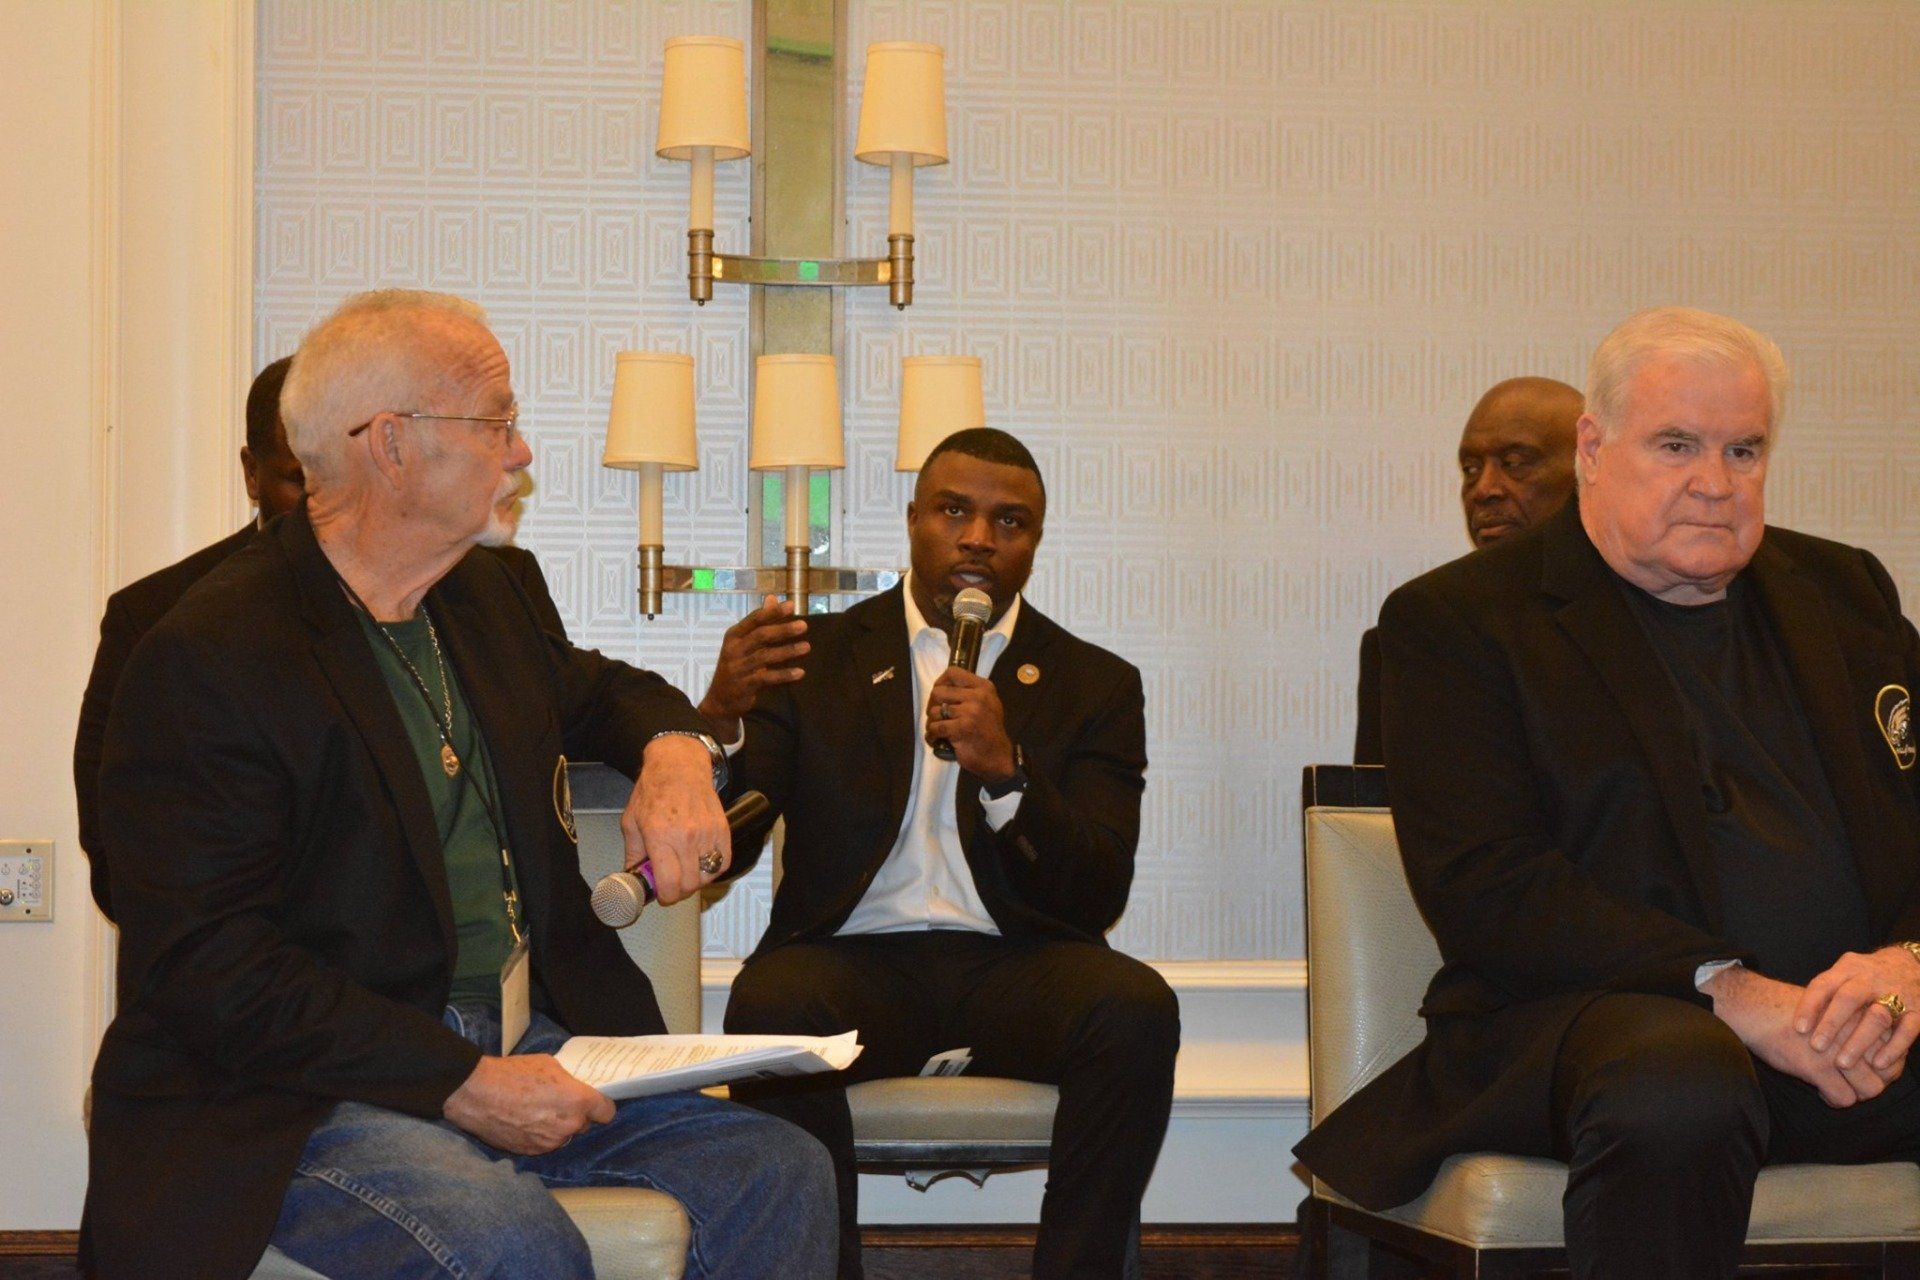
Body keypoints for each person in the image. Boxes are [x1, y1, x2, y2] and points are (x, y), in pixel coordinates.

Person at [81, 289, 835, 1280]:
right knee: (512, 1244)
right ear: (390, 446)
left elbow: (608, 691)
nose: (521, 453)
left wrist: (678, 749)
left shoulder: (490, 594)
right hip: (304, 1085)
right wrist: (460, 1079)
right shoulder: (212, 652)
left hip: (527, 1035)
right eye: (496, 423)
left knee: (778, 1166)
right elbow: (208, 963)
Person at [1298, 307, 1920, 1280]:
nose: (1715, 482)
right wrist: (1729, 988)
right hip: (1588, 1022)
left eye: (1743, 449)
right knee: (1680, 1078)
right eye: (1676, 444)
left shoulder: (1843, 591)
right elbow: (1491, 888)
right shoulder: (1459, 622)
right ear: (1595, 446)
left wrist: (1906, 962)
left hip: (1853, 1020)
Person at [704, 428, 1180, 1279]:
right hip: (851, 968)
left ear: (1034, 542)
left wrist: (1008, 774)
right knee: (771, 1001)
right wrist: (720, 724)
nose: (978, 540)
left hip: (1019, 966)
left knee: (1135, 1009)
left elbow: (1098, 888)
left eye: (1010, 522)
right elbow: (723, 847)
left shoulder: (1095, 683)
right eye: (955, 512)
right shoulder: (817, 659)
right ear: (915, 518)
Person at [74, 357, 568, 921]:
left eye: (330, 477)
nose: (316, 503)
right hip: (298, 979)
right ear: (251, 474)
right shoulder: (160, 618)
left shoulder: (481, 582)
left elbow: (579, 701)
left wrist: (679, 742)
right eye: (295, 479)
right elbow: (121, 868)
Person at [1353, 376, 1581, 763]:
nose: (1484, 489)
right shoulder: (1417, 636)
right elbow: (1379, 818)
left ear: (1588, 466)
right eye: (1471, 468)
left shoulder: (1647, 616)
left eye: (1514, 464)